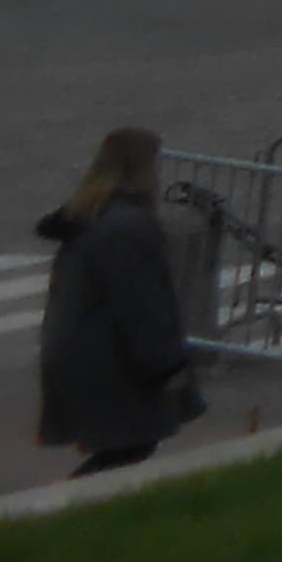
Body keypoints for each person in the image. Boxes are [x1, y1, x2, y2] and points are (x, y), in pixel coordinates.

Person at [33, 129, 196, 475]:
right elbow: (141, 305)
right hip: (110, 361)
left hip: (79, 351)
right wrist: (167, 366)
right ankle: (65, 506)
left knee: (125, 450)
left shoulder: (89, 214)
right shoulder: (128, 225)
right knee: (128, 448)